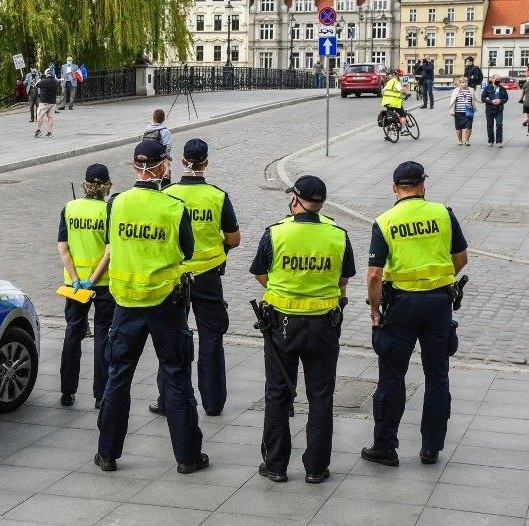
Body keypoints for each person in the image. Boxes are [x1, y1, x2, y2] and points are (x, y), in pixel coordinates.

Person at [95, 140, 208, 475]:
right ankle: (187, 457)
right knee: (175, 376)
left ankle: (107, 454)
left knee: (118, 377)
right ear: (162, 168)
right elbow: (187, 252)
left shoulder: (116, 204)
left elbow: (111, 242)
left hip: (125, 302)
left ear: (134, 166)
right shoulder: (174, 207)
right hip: (165, 303)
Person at [361, 161, 468, 468]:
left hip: (401, 308)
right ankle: (431, 448)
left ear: (394, 188)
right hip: (438, 305)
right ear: (423, 186)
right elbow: (461, 258)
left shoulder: (384, 221)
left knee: (392, 377)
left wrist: (374, 311)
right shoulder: (443, 214)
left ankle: (385, 446)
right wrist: (443, 281)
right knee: (437, 376)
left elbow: (373, 275)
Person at [250, 175, 355, 484]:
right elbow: (343, 280)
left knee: (278, 394)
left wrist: (282, 290)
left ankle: (276, 465)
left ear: (294, 200)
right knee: (321, 396)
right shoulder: (338, 234)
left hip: (282, 325)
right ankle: (316, 467)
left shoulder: (276, 233)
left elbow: (259, 272)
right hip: (324, 326)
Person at [147, 139, 240, 418]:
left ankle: (168, 400)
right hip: (209, 278)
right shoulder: (217, 196)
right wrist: (219, 248)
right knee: (211, 339)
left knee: (173, 337)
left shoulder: (168, 194)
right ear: (206, 162)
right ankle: (213, 403)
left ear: (182, 161)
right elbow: (234, 239)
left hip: (175, 278)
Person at [57, 164, 116, 409]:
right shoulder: (109, 211)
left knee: (73, 333)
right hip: (102, 284)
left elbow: (62, 247)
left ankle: (67, 392)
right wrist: (93, 278)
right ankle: (100, 395)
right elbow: (109, 251)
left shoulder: (70, 208)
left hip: (74, 285)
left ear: (85, 184)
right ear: (106, 186)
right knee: (102, 335)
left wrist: (76, 277)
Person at [481, 74, 508, 148]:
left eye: (499, 79)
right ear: (492, 79)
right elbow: (483, 98)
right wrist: (491, 101)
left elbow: (506, 98)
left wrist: (500, 101)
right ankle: (490, 141)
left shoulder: (502, 88)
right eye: (496, 79)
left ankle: (499, 141)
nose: (498, 80)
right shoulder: (487, 88)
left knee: (499, 125)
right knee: (490, 126)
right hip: (489, 109)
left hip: (499, 109)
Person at [381, 69, 409, 138]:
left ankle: (387, 135)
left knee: (390, 117)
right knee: (403, 115)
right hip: (395, 103)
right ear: (397, 75)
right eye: (401, 75)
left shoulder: (389, 82)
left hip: (387, 102)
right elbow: (401, 91)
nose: (401, 77)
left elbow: (382, 92)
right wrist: (406, 94)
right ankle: (403, 130)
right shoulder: (396, 82)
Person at [448, 77, 476, 146]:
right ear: (460, 83)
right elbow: (452, 101)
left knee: (469, 126)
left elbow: (477, 98)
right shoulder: (456, 90)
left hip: (468, 112)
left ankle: (467, 140)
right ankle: (460, 140)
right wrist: (452, 111)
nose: (464, 83)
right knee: (459, 127)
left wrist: (487, 100)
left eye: (466, 82)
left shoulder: (471, 90)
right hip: (458, 112)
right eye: (463, 82)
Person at [35, 69, 58, 138]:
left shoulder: (43, 81)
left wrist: (39, 80)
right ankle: (49, 132)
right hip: (53, 102)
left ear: (46, 74)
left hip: (44, 102)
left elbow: (36, 85)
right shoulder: (55, 82)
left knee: (40, 116)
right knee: (50, 117)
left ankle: (38, 130)